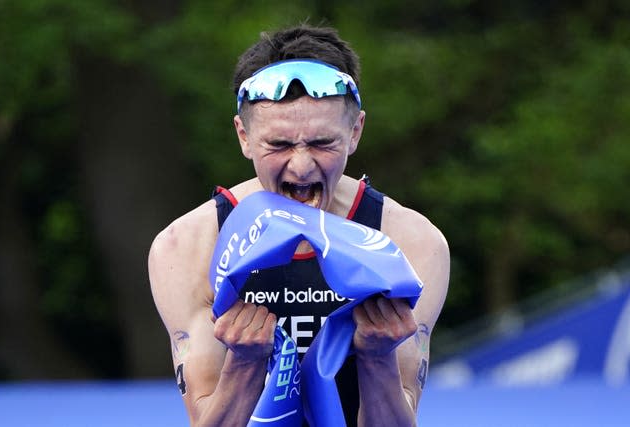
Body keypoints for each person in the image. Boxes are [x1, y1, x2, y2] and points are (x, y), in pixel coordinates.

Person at [148, 25, 449, 426]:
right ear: (244, 137)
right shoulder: (186, 245)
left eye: (323, 143)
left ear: (355, 131)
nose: (302, 166)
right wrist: (243, 364)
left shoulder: (411, 241)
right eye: (280, 145)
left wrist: (377, 359)